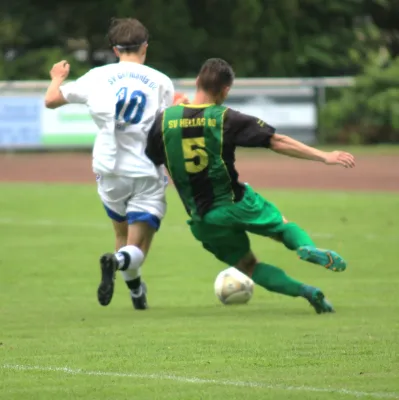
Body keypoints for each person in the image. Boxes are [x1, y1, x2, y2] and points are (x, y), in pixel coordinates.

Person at [144, 58, 356, 314]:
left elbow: (154, 157)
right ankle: (304, 247)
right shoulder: (225, 118)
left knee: (249, 267)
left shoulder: (164, 120)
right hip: (237, 203)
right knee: (284, 227)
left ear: (197, 82)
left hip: (204, 219)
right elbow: (277, 141)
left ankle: (307, 292)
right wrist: (324, 156)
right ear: (225, 90)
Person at [45, 18, 184, 310]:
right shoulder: (160, 81)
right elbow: (165, 132)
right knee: (139, 246)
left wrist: (57, 76)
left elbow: (52, 100)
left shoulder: (97, 76)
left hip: (108, 168)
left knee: (121, 234)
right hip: (145, 170)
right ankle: (118, 262)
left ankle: (136, 293)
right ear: (145, 46)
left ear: (114, 49)